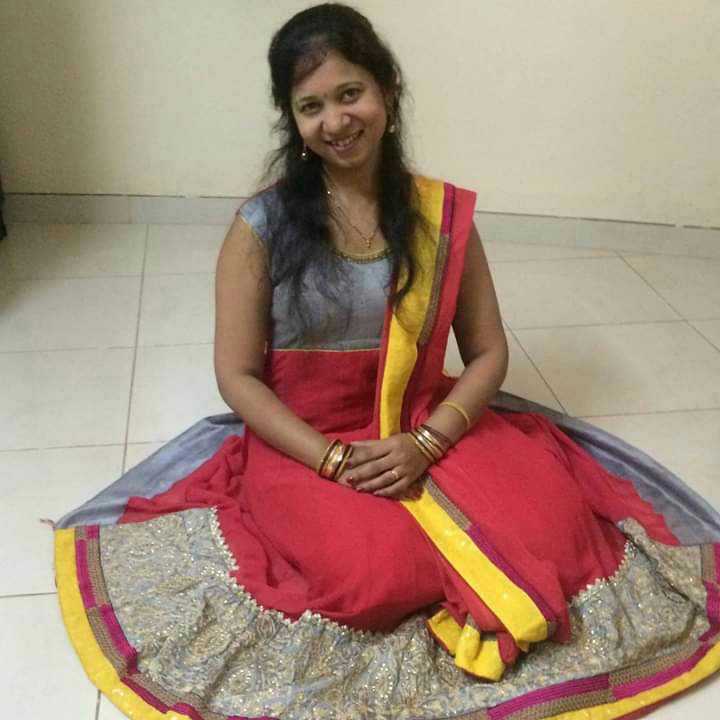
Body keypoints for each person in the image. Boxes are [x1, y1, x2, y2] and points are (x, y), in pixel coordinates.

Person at [54, 4, 720, 719]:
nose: (336, 121)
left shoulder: (439, 215)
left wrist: (427, 441)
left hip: (426, 421)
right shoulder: (261, 228)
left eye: (351, 94)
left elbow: (489, 352)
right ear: (292, 120)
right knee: (373, 579)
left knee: (552, 532)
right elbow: (237, 377)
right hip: (306, 440)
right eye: (311, 106)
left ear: (387, 91)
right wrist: (332, 459)